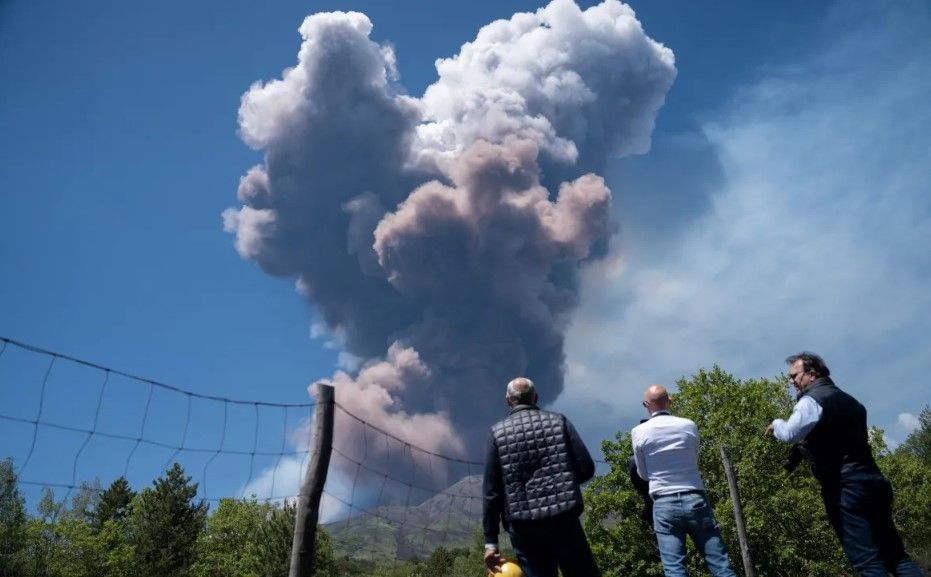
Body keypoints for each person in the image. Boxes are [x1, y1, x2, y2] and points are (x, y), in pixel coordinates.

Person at [766, 352, 922, 576]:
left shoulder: (812, 400)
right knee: (896, 557)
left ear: (812, 374)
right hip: (874, 482)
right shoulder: (853, 403)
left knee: (868, 562)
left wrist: (776, 424)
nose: (791, 381)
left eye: (794, 376)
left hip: (846, 488)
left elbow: (791, 433)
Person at [483, 377, 601, 577]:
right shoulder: (559, 422)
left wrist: (491, 542)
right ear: (535, 398)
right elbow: (586, 467)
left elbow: (492, 492)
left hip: (524, 528)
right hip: (564, 519)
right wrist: (564, 485)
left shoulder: (496, 434)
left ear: (508, 400)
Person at [631, 384, 737, 577]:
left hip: (664, 503)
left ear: (646, 405)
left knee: (675, 570)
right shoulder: (688, 425)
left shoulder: (638, 432)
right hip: (695, 498)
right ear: (670, 401)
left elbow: (643, 474)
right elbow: (694, 458)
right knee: (720, 566)